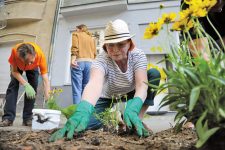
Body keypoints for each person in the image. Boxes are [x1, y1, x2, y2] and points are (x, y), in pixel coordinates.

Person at [49, 19, 160, 142]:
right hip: (107, 95)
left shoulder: (138, 55)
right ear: (105, 45)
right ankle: (111, 122)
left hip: (131, 91)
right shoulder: (101, 60)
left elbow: (141, 85)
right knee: (86, 125)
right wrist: (84, 108)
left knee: (153, 74)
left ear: (130, 43)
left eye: (121, 44)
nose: (115, 50)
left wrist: (134, 108)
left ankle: (136, 120)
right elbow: (94, 84)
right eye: (110, 45)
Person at [0, 42, 50, 127]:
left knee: (33, 88)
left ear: (34, 54)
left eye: (31, 60)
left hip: (34, 68)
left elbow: (45, 79)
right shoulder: (15, 52)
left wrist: (48, 97)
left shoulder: (40, 55)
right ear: (20, 57)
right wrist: (25, 84)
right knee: (13, 86)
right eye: (27, 61)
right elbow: (14, 72)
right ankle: (8, 118)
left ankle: (28, 118)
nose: (29, 63)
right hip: (17, 68)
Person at [70, 24, 97, 104]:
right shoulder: (92, 38)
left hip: (79, 61)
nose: (76, 30)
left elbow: (75, 47)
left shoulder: (76, 34)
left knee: (77, 89)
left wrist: (73, 59)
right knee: (86, 89)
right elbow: (95, 53)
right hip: (90, 63)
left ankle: (77, 112)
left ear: (80, 29)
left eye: (76, 29)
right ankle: (85, 111)